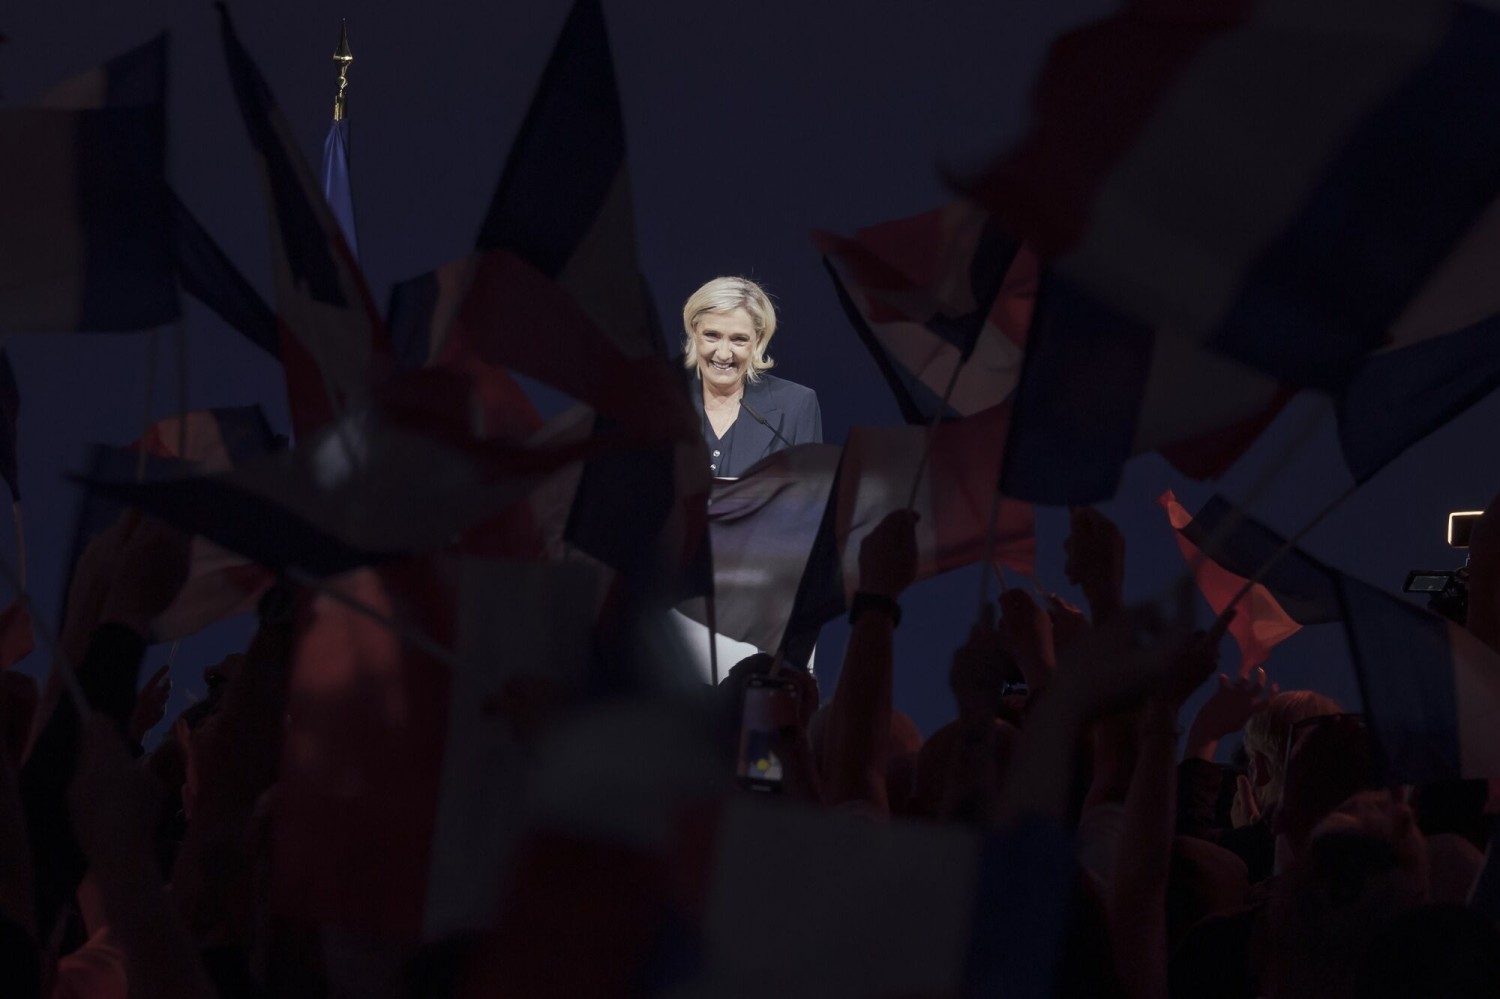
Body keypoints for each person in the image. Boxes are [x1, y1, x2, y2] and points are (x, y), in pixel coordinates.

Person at [682, 276, 821, 477]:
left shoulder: (797, 405)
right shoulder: (661, 401)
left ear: (758, 340)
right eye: (712, 335)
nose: (723, 354)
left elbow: (810, 497)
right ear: (694, 331)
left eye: (739, 340)